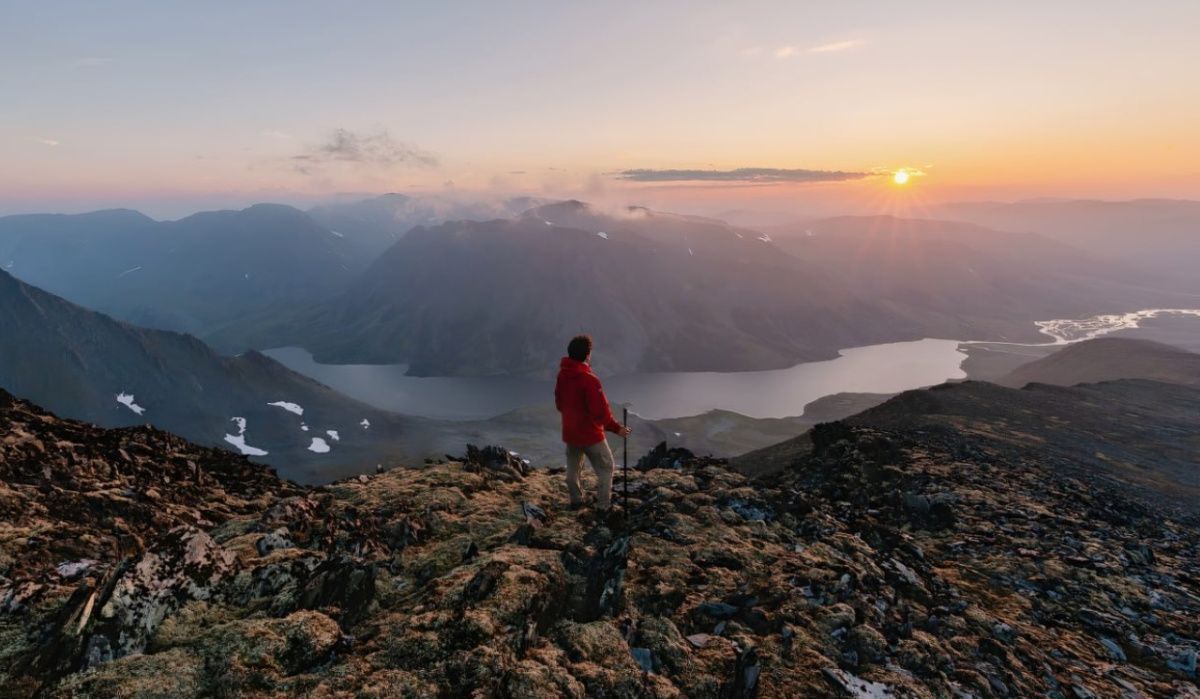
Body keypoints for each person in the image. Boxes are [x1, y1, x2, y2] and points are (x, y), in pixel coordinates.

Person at [554, 334, 631, 512]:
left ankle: (576, 500)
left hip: (571, 433)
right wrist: (617, 428)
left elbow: (559, 403)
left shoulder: (562, 375)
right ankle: (603, 507)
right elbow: (601, 413)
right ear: (588, 355)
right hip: (591, 435)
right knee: (606, 467)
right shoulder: (589, 380)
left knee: (573, 469)